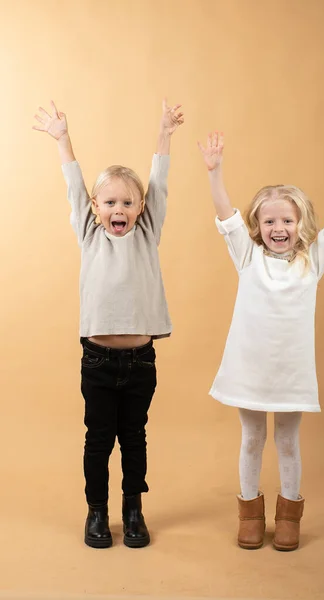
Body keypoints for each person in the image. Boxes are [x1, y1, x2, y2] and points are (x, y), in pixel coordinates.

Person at [198, 132, 324, 551]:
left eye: (287, 220)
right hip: (249, 366)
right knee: (251, 439)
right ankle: (249, 512)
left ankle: (289, 517)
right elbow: (225, 214)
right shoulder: (246, 256)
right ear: (257, 226)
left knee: (287, 441)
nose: (278, 228)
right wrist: (215, 173)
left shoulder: (313, 259)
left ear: (301, 224)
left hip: (290, 371)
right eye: (269, 221)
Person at [33, 99, 184, 548]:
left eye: (128, 202)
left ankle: (133, 510)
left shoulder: (147, 231)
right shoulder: (89, 232)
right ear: (96, 206)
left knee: (134, 439)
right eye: (110, 202)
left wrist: (164, 132)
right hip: (97, 361)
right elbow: (72, 186)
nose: (119, 209)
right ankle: (96, 512)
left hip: (140, 361)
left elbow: (160, 182)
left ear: (140, 207)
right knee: (98, 440)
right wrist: (62, 139)